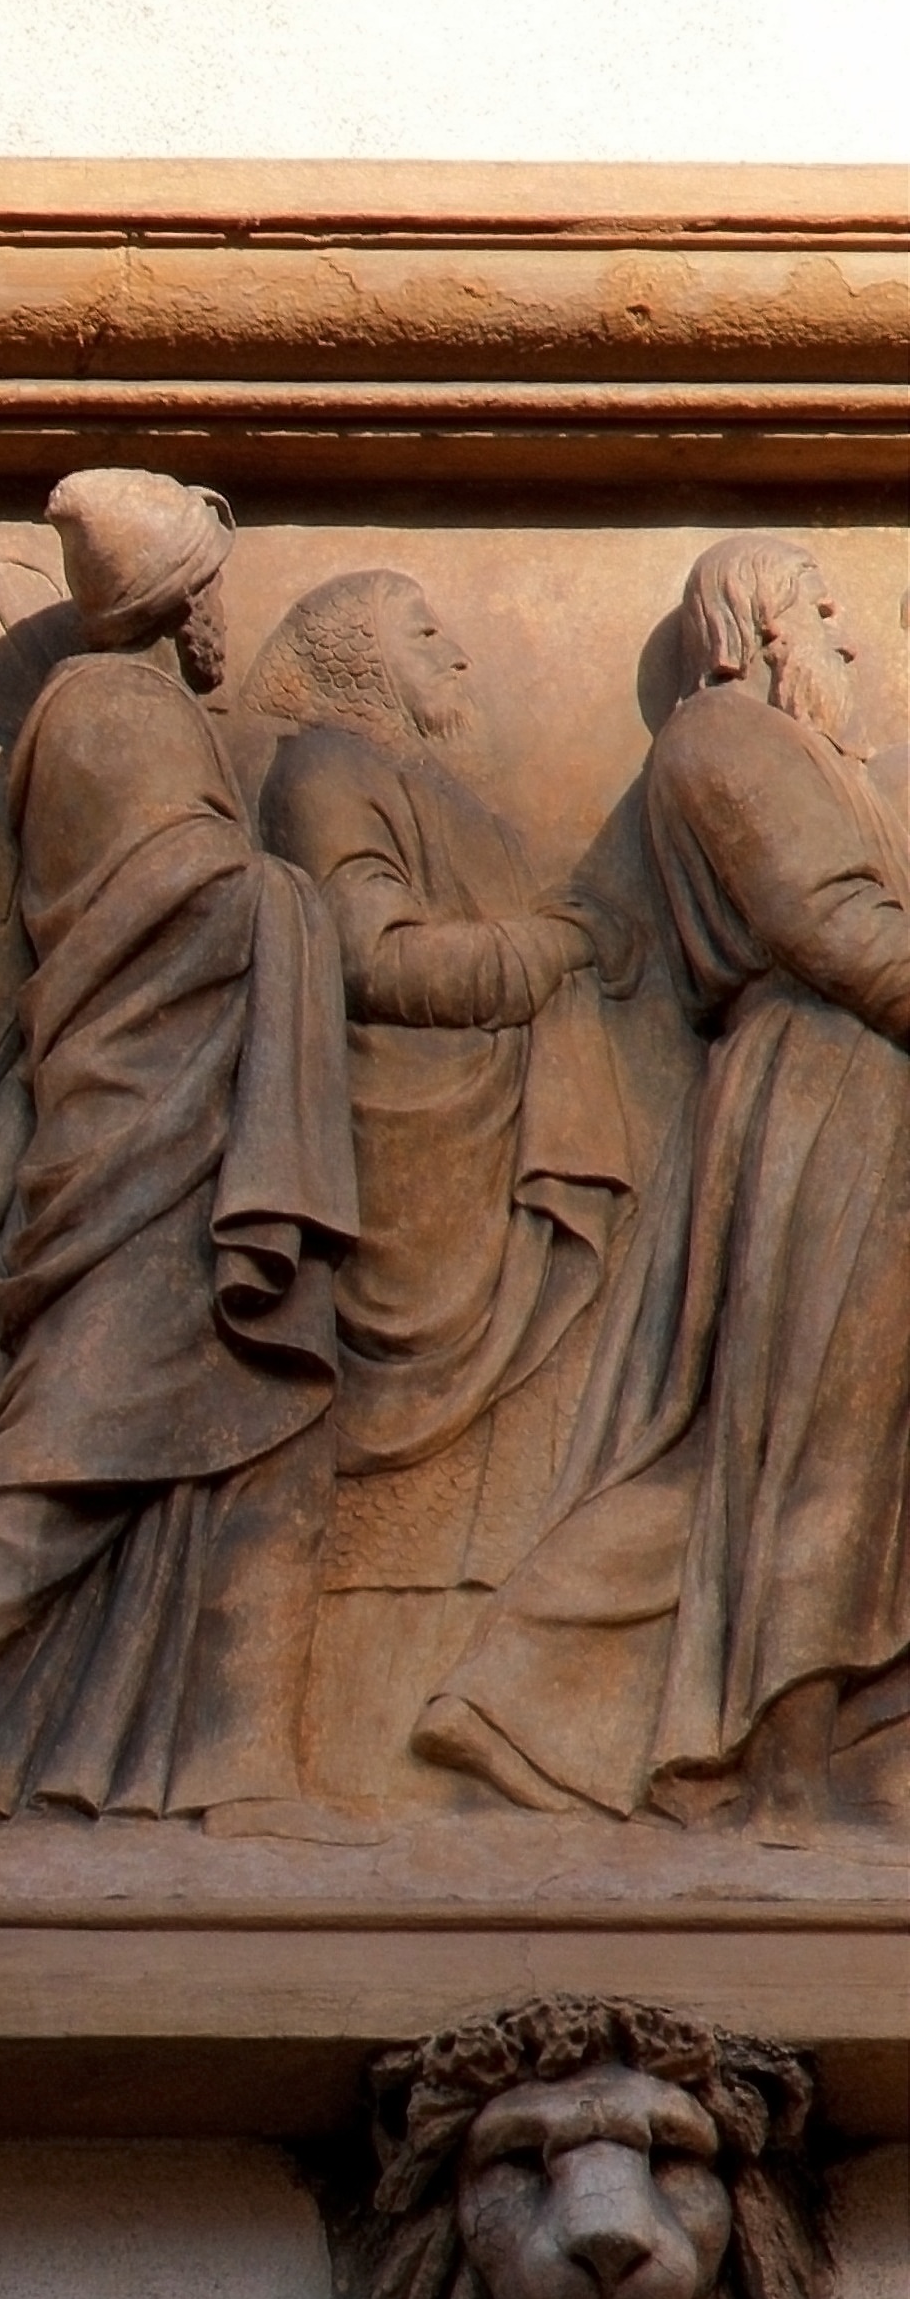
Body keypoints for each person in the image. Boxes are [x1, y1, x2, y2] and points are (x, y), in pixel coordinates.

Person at [0, 469, 360, 1855]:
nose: (220, 611)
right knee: (75, 1437)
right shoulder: (113, 704)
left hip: (196, 1108)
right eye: (208, 586)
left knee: (255, 1439)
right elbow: (154, 901)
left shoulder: (143, 709)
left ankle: (231, 1760)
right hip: (151, 1125)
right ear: (180, 599)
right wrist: (297, 903)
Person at [417, 536, 910, 1851]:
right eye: (820, 610)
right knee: (813, 1435)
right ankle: (759, 1771)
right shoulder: (723, 743)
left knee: (813, 1439)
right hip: (828, 1092)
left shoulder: (815, 762)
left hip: (862, 1084)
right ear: (744, 629)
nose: (849, 641)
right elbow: (831, 927)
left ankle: (542, 1702)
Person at [239, 573, 639, 1772]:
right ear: (359, 662)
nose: (459, 659)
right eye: (426, 637)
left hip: (498, 1147)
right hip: (417, 1157)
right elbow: (375, 957)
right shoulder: (323, 770)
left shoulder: (427, 784)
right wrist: (552, 946)